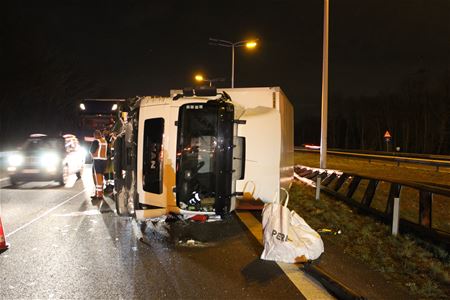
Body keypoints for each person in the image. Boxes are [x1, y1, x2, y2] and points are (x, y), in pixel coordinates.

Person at [90, 130, 108, 200]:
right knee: (101, 177)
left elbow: (91, 151)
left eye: (94, 136)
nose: (94, 137)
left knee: (97, 177)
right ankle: (100, 192)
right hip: (104, 161)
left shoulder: (96, 141)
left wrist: (92, 157)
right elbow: (108, 152)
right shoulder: (105, 141)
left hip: (97, 161)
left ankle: (99, 194)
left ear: (96, 135)